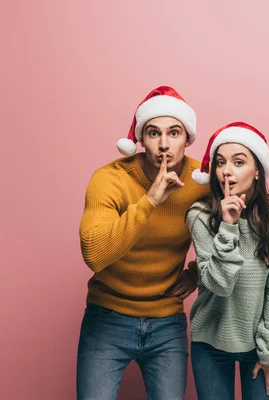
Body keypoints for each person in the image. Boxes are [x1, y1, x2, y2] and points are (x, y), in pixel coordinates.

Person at [77, 86, 208, 399]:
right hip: (107, 317)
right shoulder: (110, 179)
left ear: (188, 138)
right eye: (153, 133)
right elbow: (94, 254)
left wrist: (196, 273)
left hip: (167, 322)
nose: (164, 144)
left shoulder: (201, 181)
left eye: (174, 133)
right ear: (140, 139)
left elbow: (237, 236)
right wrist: (151, 200)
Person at [186, 122, 269, 399]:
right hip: (210, 340)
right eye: (221, 162)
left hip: (260, 346)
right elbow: (219, 285)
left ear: (257, 170)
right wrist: (228, 226)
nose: (227, 170)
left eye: (239, 162)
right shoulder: (199, 216)